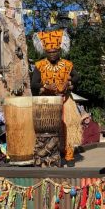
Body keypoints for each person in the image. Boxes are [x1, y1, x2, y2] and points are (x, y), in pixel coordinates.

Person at [31, 29, 81, 167]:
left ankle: (69, 155)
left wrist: (69, 82)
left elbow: (77, 77)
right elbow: (33, 84)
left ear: (59, 51)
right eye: (49, 52)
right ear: (45, 52)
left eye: (55, 51)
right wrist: (46, 86)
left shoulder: (67, 64)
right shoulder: (39, 65)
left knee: (68, 127)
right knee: (50, 129)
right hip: (47, 103)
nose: (52, 54)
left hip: (65, 101)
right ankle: (51, 154)